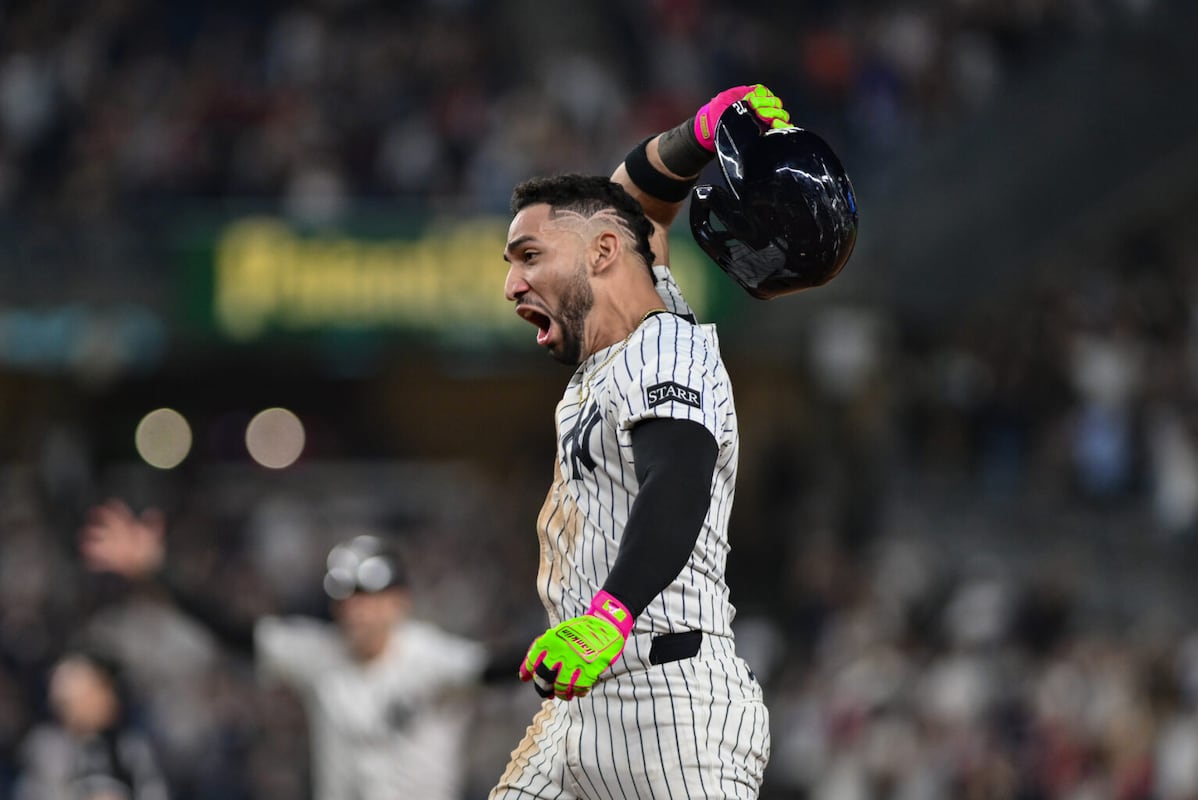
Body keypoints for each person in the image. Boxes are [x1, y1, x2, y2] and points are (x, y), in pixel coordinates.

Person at [490, 84, 791, 799]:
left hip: (671, 709)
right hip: (578, 705)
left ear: (601, 254)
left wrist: (608, 616)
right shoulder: (621, 344)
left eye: (528, 255)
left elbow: (678, 480)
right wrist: (701, 130)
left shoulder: (666, 349)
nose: (512, 284)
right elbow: (629, 200)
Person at [78, 498, 492, 800]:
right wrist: (157, 572)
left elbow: (506, 667)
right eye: (348, 598)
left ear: (401, 601)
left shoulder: (434, 658)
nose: (358, 611)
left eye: (369, 596)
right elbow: (231, 630)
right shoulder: (319, 654)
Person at [14, 647, 171, 800]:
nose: (109, 697)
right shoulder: (46, 749)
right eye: (94, 692)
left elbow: (154, 790)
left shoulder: (131, 747)